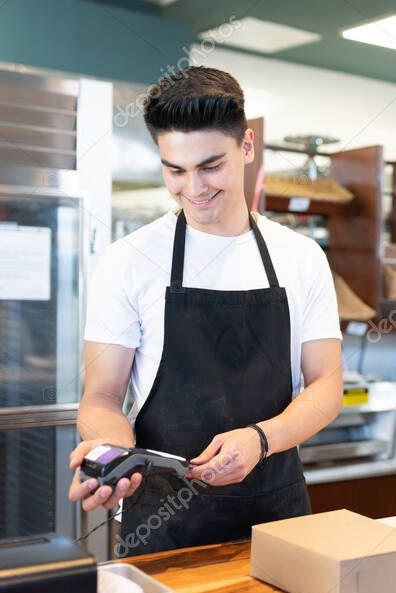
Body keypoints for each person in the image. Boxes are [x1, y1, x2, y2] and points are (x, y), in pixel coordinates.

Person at [67, 67, 343, 555]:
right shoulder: (129, 260)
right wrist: (114, 456)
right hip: (164, 528)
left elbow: (327, 387)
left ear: (247, 147)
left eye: (211, 165)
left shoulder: (301, 257)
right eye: (175, 170)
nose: (193, 187)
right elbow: (102, 398)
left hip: (279, 519)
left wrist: (261, 439)